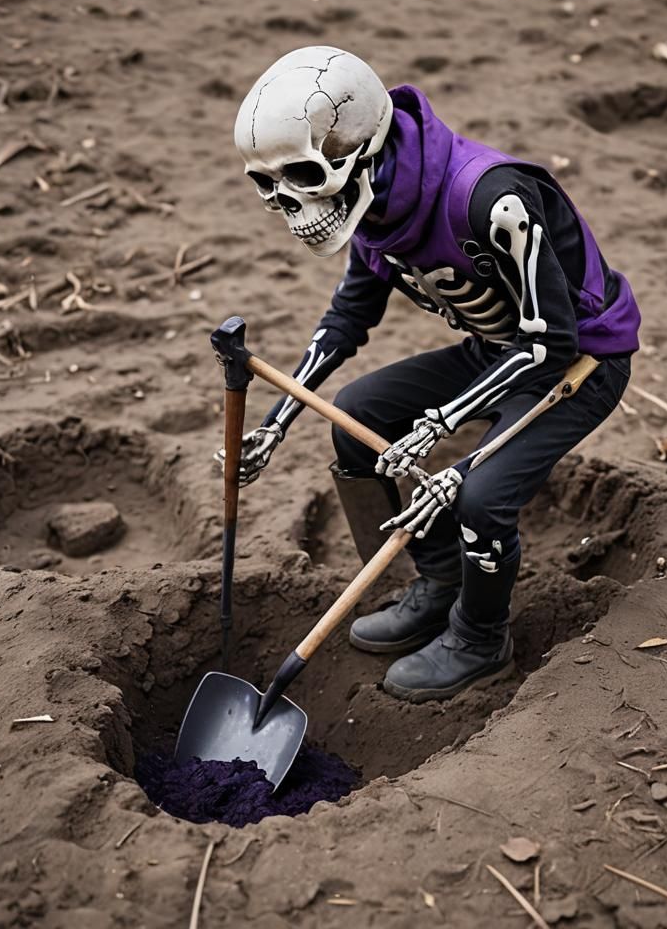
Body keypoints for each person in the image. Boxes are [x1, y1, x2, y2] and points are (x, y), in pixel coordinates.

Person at [221, 46, 640, 702]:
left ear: (362, 151)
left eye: (304, 176)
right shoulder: (373, 207)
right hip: (498, 346)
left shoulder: (492, 200)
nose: (291, 205)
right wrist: (277, 424)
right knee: (358, 419)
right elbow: (349, 317)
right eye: (269, 187)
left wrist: (445, 435)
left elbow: (548, 343)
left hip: (579, 358)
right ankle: (439, 581)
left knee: (480, 495)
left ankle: (480, 636)